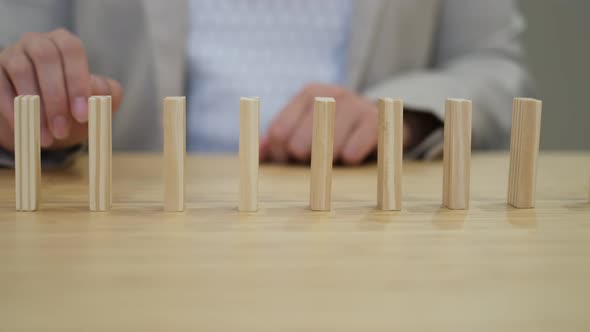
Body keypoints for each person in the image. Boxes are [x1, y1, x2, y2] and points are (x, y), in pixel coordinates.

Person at [0, 0, 530, 167]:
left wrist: (402, 115)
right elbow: (13, 51)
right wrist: (25, 101)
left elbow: (492, 65)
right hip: (116, 229)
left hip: (366, 231)